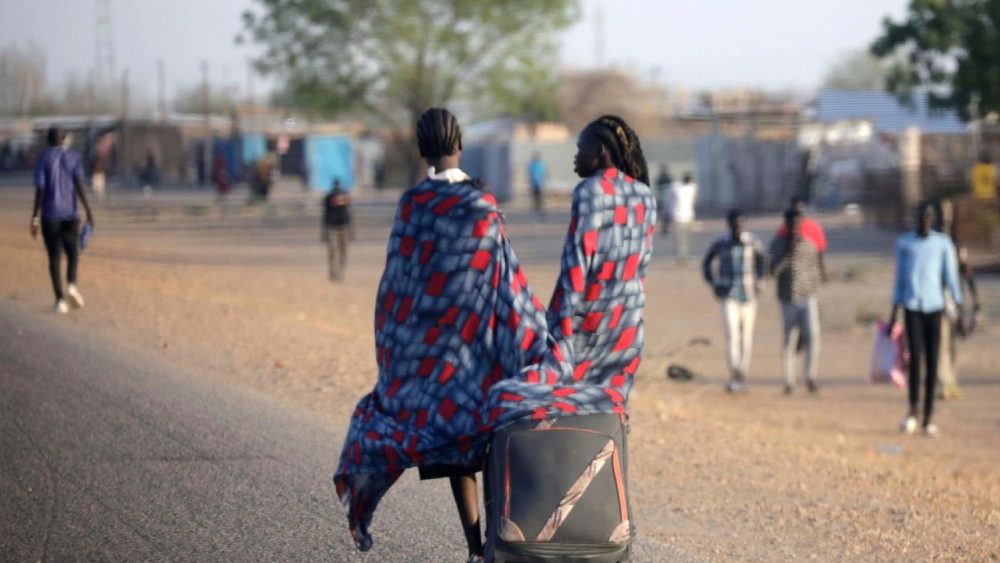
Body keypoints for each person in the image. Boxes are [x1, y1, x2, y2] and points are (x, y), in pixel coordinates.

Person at [543, 113, 658, 404]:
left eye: (581, 149)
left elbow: (576, 264)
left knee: (572, 409)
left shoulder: (590, 191)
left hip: (590, 320)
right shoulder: (645, 195)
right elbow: (641, 264)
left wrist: (560, 325)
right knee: (611, 408)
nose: (576, 158)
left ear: (601, 151)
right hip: (628, 321)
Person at [888, 201, 963, 438]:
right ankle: (912, 411)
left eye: (928, 218)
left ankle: (928, 418)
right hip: (912, 307)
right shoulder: (905, 243)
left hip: (934, 307)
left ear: (932, 220)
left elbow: (950, 277)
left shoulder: (942, 243)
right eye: (920, 218)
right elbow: (899, 280)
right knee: (915, 360)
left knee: (932, 362)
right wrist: (893, 314)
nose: (924, 222)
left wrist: (959, 308)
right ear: (915, 219)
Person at [30, 126, 94, 314]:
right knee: (73, 252)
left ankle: (59, 300)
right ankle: (72, 284)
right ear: (63, 139)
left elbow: (40, 189)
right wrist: (88, 210)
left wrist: (34, 216)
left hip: (50, 215)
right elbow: (78, 184)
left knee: (54, 257)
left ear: (48, 140)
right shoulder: (72, 157)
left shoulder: (43, 158)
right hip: (70, 214)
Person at [703, 209, 764, 392]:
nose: (738, 228)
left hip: (748, 296)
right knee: (732, 335)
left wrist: (760, 282)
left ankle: (743, 373)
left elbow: (762, 263)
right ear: (729, 224)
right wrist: (713, 283)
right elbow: (707, 262)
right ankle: (734, 373)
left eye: (741, 224)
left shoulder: (752, 242)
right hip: (728, 295)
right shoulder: (721, 243)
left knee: (746, 337)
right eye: (735, 224)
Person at [770, 208, 823, 394]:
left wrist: (817, 300)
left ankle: (811, 376)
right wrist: (787, 254)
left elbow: (815, 273)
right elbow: (773, 271)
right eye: (791, 225)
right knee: (789, 341)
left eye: (797, 225)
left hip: (808, 296)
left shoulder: (809, 244)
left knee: (813, 337)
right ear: (786, 225)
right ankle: (789, 380)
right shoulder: (777, 244)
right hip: (787, 299)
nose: (794, 229)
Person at [934, 200, 981, 400]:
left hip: (955, 302)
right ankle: (942, 384)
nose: (946, 220)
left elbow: (967, 273)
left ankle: (951, 382)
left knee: (952, 344)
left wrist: (974, 299)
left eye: (949, 216)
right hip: (935, 302)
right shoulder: (930, 244)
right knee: (941, 344)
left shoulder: (956, 246)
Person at [776, 195, 827, 281]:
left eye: (800, 208)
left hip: (808, 273)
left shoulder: (814, 227)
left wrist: (822, 272)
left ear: (804, 208)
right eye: (794, 208)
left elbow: (819, 253)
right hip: (789, 274)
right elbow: (778, 253)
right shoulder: (783, 230)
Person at [322, 179, 353, 281]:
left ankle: (340, 273)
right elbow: (325, 214)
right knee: (333, 252)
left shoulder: (345, 197)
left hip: (343, 227)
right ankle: (333, 272)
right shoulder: (328, 198)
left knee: (343, 252)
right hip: (332, 228)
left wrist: (351, 230)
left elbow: (349, 214)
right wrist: (324, 230)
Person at [668, 172, 697, 262]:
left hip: (689, 216)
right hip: (678, 216)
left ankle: (685, 255)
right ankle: (680, 256)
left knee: (687, 238)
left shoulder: (692, 187)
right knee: (679, 238)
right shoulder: (676, 187)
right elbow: (670, 200)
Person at [655, 164, 673, 236]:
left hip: (664, 198)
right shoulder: (666, 177)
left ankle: (665, 228)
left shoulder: (663, 177)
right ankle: (665, 228)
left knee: (664, 214)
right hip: (664, 198)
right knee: (665, 214)